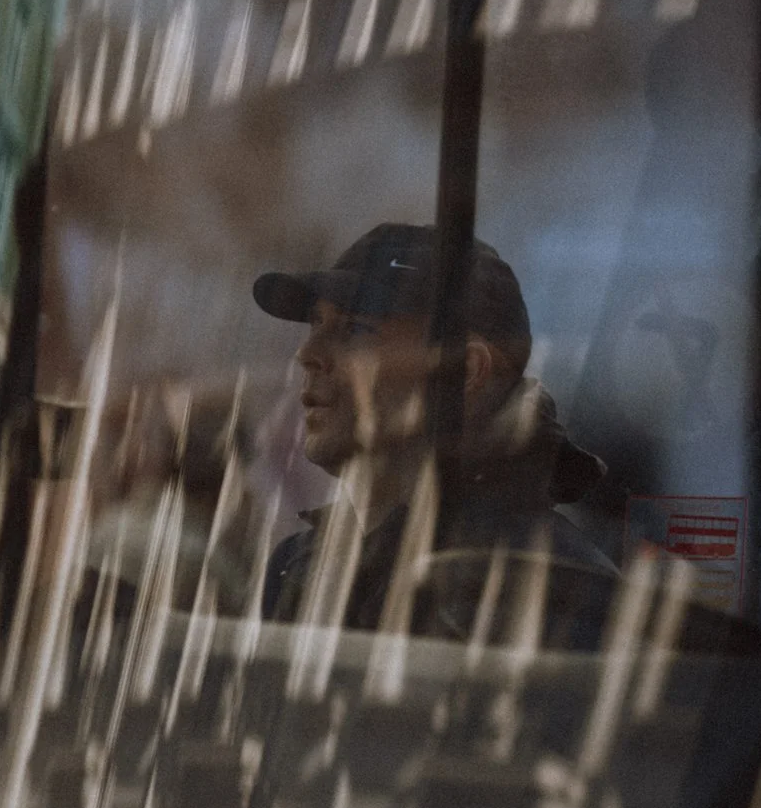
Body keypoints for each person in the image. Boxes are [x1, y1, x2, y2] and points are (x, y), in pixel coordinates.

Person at [252, 222, 619, 639]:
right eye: (316, 325)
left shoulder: (549, 587)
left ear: (464, 372)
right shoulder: (300, 567)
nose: (307, 353)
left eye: (356, 329)